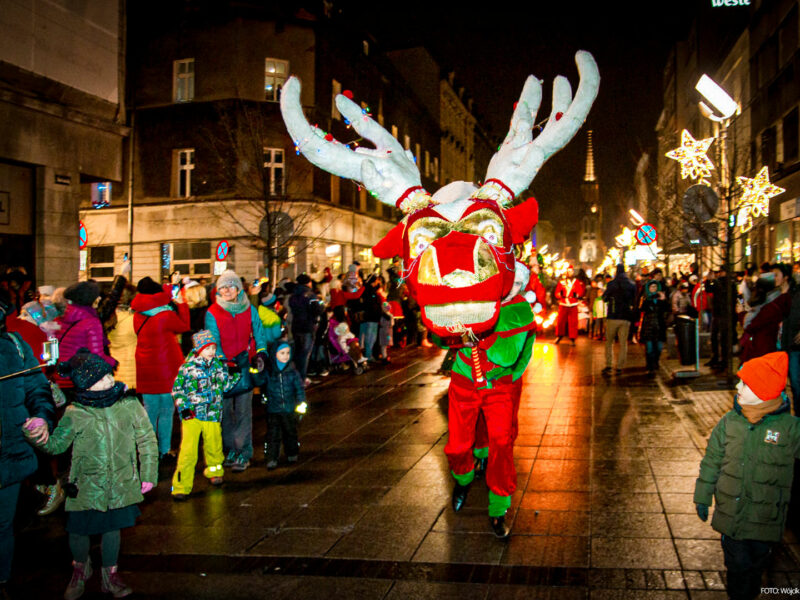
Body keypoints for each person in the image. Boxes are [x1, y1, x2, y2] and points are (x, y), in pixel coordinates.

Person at [24, 348, 157, 600]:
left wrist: (148, 472)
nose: (109, 380)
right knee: (78, 532)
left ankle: (111, 576)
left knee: (112, 530)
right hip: (86, 485)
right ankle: (80, 569)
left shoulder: (129, 404)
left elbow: (147, 439)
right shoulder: (76, 413)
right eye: (100, 379)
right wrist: (36, 435)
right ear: (86, 385)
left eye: (108, 375)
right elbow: (56, 446)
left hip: (120, 482)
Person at [694, 352, 800, 600]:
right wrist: (702, 495)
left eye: (746, 383)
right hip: (731, 516)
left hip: (766, 519)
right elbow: (712, 461)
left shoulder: (789, 429)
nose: (737, 386)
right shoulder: (729, 423)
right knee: (737, 566)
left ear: (764, 391)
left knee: (755, 566)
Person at [0, 288, 54, 597]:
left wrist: (42, 417)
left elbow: (37, 388)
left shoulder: (16, 346)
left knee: (3, 524)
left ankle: (2, 581)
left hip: (9, 454)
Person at [205, 270, 268, 472]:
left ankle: (244, 453)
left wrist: (261, 352)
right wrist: (224, 361)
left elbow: (258, 331)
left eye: (230, 286)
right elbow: (212, 339)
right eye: (222, 287)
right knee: (224, 413)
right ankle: (230, 449)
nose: (226, 291)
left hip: (244, 368)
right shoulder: (212, 312)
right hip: (223, 369)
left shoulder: (249, 309)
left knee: (243, 413)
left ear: (238, 289)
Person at [171, 330, 241, 500]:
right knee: (188, 451)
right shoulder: (188, 367)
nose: (211, 351)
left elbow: (224, 387)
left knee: (214, 446)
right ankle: (180, 486)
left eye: (213, 348)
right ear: (198, 349)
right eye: (207, 348)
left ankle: (215, 471)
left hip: (213, 413)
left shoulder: (218, 365)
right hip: (192, 415)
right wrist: (184, 407)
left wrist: (235, 375)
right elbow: (177, 389)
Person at [131, 277, 190, 462]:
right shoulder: (166, 316)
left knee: (149, 410)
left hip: (145, 368)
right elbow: (185, 326)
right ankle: (164, 449)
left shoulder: (137, 315)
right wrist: (182, 304)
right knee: (166, 411)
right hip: (166, 369)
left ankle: (147, 450)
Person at [53, 281, 117, 396]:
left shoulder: (59, 319)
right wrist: (112, 362)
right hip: (81, 379)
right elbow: (96, 356)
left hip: (61, 377)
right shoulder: (92, 323)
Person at [263, 341, 307, 470]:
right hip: (273, 409)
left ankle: (292, 452)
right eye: (282, 353)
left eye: (288, 353)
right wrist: (256, 370)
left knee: (290, 432)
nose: (286, 356)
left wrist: (300, 403)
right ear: (274, 354)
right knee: (273, 435)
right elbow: (260, 381)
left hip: (288, 408)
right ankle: (271, 457)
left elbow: (299, 389)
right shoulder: (270, 372)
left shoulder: (292, 372)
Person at [602, 264, 636, 375]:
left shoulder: (612, 284)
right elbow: (634, 300)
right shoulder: (631, 284)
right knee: (623, 343)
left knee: (609, 342)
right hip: (626, 317)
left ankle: (609, 365)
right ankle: (620, 367)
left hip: (613, 315)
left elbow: (605, 298)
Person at [638, 280, 669, 376]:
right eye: (652, 287)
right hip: (648, 326)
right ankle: (650, 366)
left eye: (655, 287)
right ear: (648, 288)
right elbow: (641, 309)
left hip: (659, 326)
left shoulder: (661, 300)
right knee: (649, 349)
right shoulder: (645, 299)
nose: (653, 289)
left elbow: (668, 309)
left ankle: (656, 362)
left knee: (659, 348)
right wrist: (647, 299)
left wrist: (663, 300)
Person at [554, 265, 584, 345]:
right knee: (560, 321)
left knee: (573, 322)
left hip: (573, 303)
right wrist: (559, 295)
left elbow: (580, 292)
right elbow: (557, 292)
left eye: (571, 271)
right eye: (568, 271)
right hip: (563, 303)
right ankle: (559, 336)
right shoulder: (562, 281)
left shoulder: (576, 282)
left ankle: (573, 338)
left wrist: (576, 295)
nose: (569, 273)